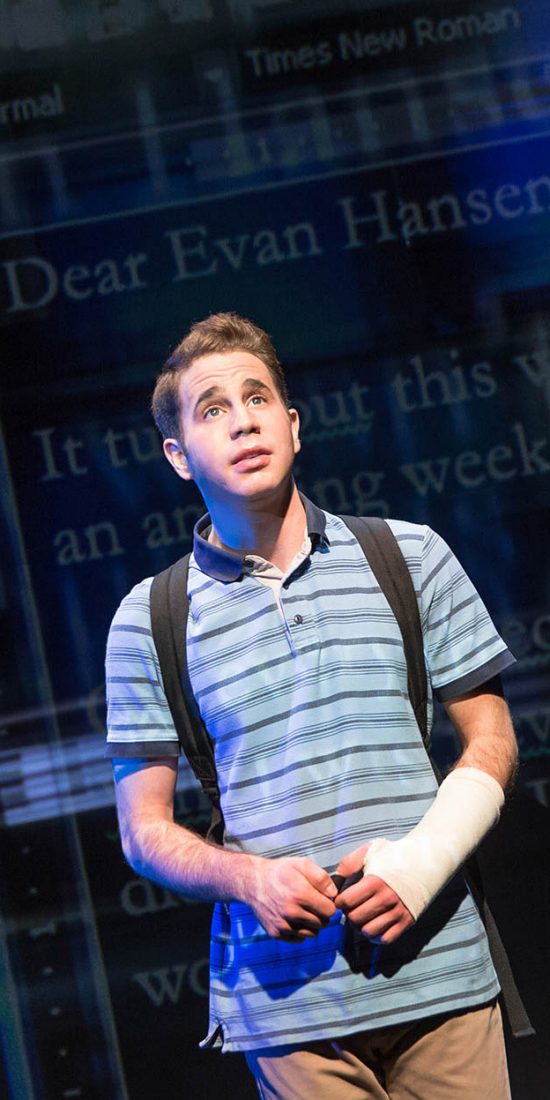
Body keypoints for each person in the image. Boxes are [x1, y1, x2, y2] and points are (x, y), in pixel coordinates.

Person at [106, 312, 518, 1099]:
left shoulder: (410, 555)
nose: (243, 421)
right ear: (179, 455)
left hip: (442, 977)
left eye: (258, 398)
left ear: (293, 426)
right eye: (213, 409)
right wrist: (250, 881)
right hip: (289, 1009)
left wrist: (421, 865)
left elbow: (493, 739)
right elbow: (142, 829)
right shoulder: (149, 619)